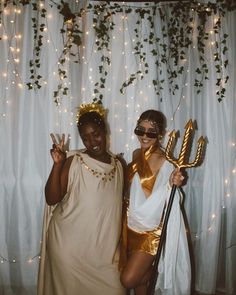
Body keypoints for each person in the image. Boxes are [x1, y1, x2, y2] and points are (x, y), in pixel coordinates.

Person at [37, 103, 126, 295]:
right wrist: (57, 165)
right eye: (85, 137)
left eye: (96, 134)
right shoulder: (74, 161)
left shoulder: (119, 165)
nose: (92, 141)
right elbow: (51, 198)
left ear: (105, 130)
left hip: (104, 254)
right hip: (69, 250)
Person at [119, 110, 191, 295]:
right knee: (138, 284)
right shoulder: (136, 154)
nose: (144, 136)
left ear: (160, 134)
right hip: (130, 224)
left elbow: (173, 195)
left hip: (151, 232)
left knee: (128, 279)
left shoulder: (166, 161)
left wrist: (172, 182)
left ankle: (158, 271)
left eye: (151, 132)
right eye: (140, 130)